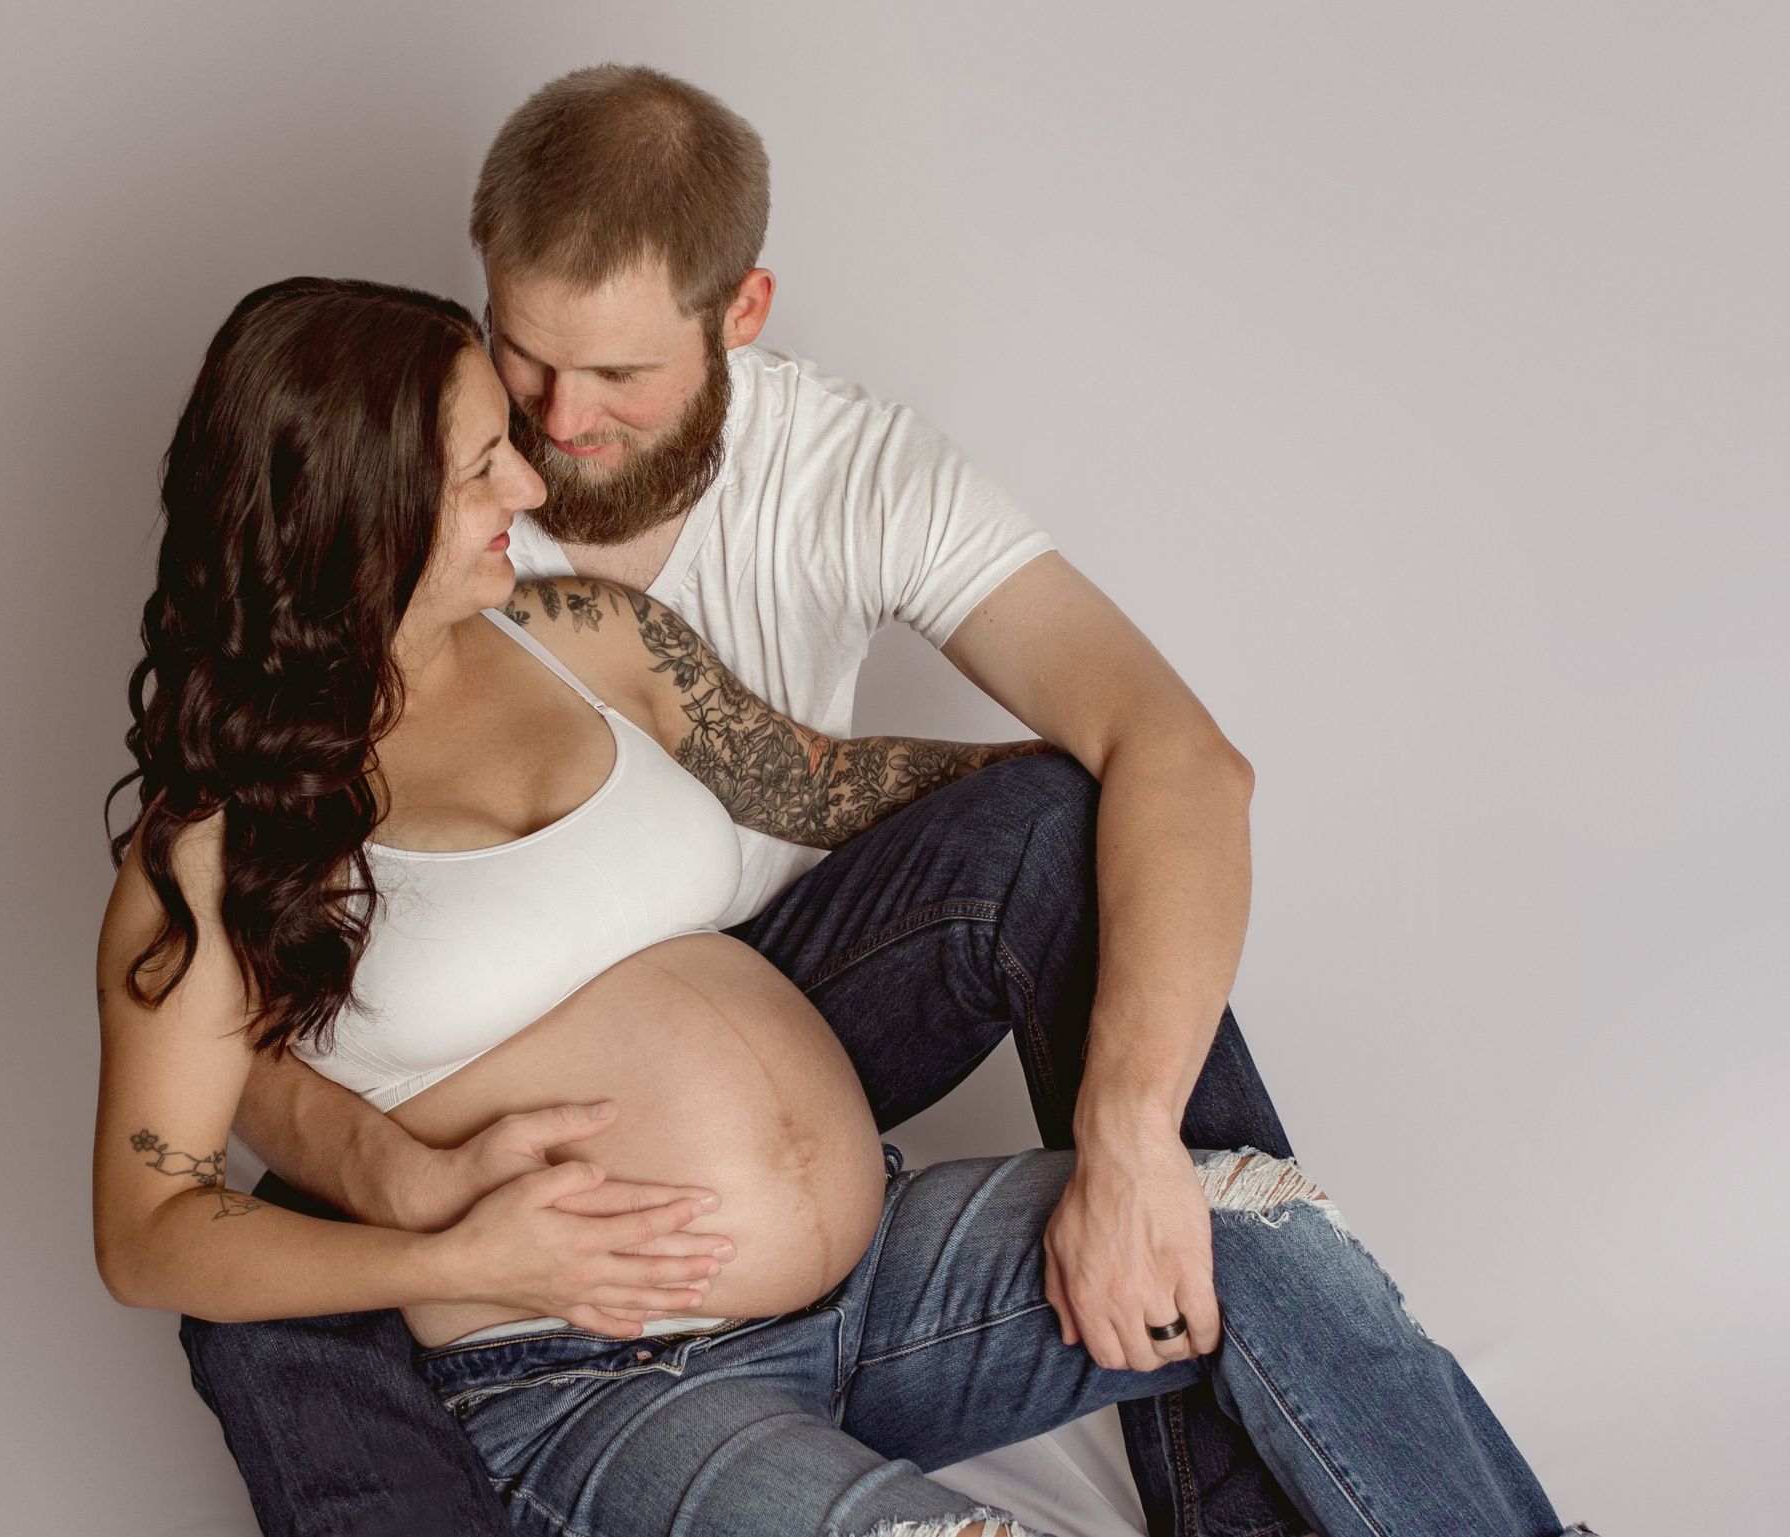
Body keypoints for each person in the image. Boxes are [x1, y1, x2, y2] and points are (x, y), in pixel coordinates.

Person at [99, 273, 1592, 1537]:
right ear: (356, 500)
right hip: (605, 1379)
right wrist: (446, 1254)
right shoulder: (216, 855)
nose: (532, 486)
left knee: (1265, 1231)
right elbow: (150, 1228)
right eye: (480, 463)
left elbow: (815, 784)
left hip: (879, 1281)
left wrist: (1124, 771)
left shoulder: (578, 631)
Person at [182, 65, 1312, 1535]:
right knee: (256, 1289)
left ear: (742, 314)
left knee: (1075, 827)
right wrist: (374, 1164)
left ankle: (1226, 1456)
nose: (557, 428)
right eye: (523, 360)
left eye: (620, 377)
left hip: (803, 1006)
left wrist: (1132, 1136)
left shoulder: (843, 471)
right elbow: (212, 950)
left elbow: (1141, 756)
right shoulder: (415, 493)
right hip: (485, 1098)